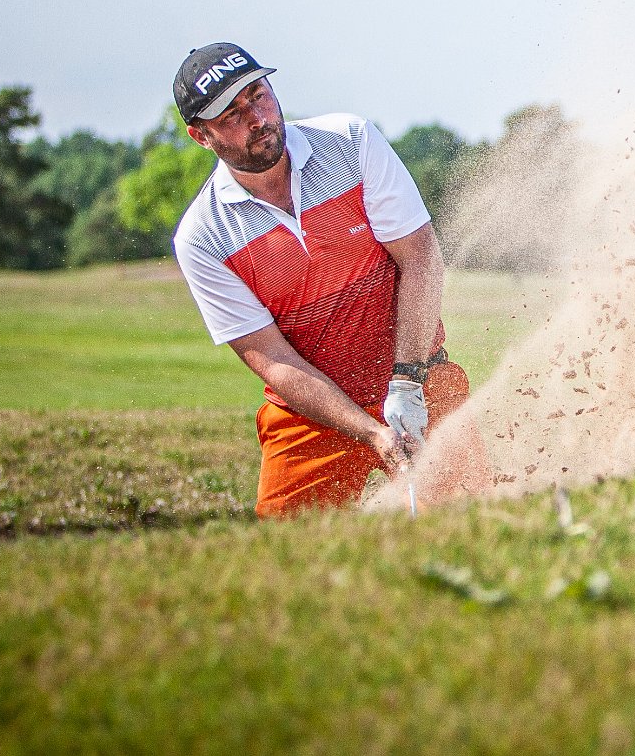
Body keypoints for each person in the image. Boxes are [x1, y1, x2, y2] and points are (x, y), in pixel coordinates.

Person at [169, 42, 480, 516]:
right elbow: (272, 359)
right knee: (290, 558)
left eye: (257, 94)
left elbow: (419, 257)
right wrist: (371, 430)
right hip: (313, 415)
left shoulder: (351, 142)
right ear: (201, 136)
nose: (256, 118)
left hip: (417, 372)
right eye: (230, 114)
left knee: (476, 523)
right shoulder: (203, 236)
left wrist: (408, 380)